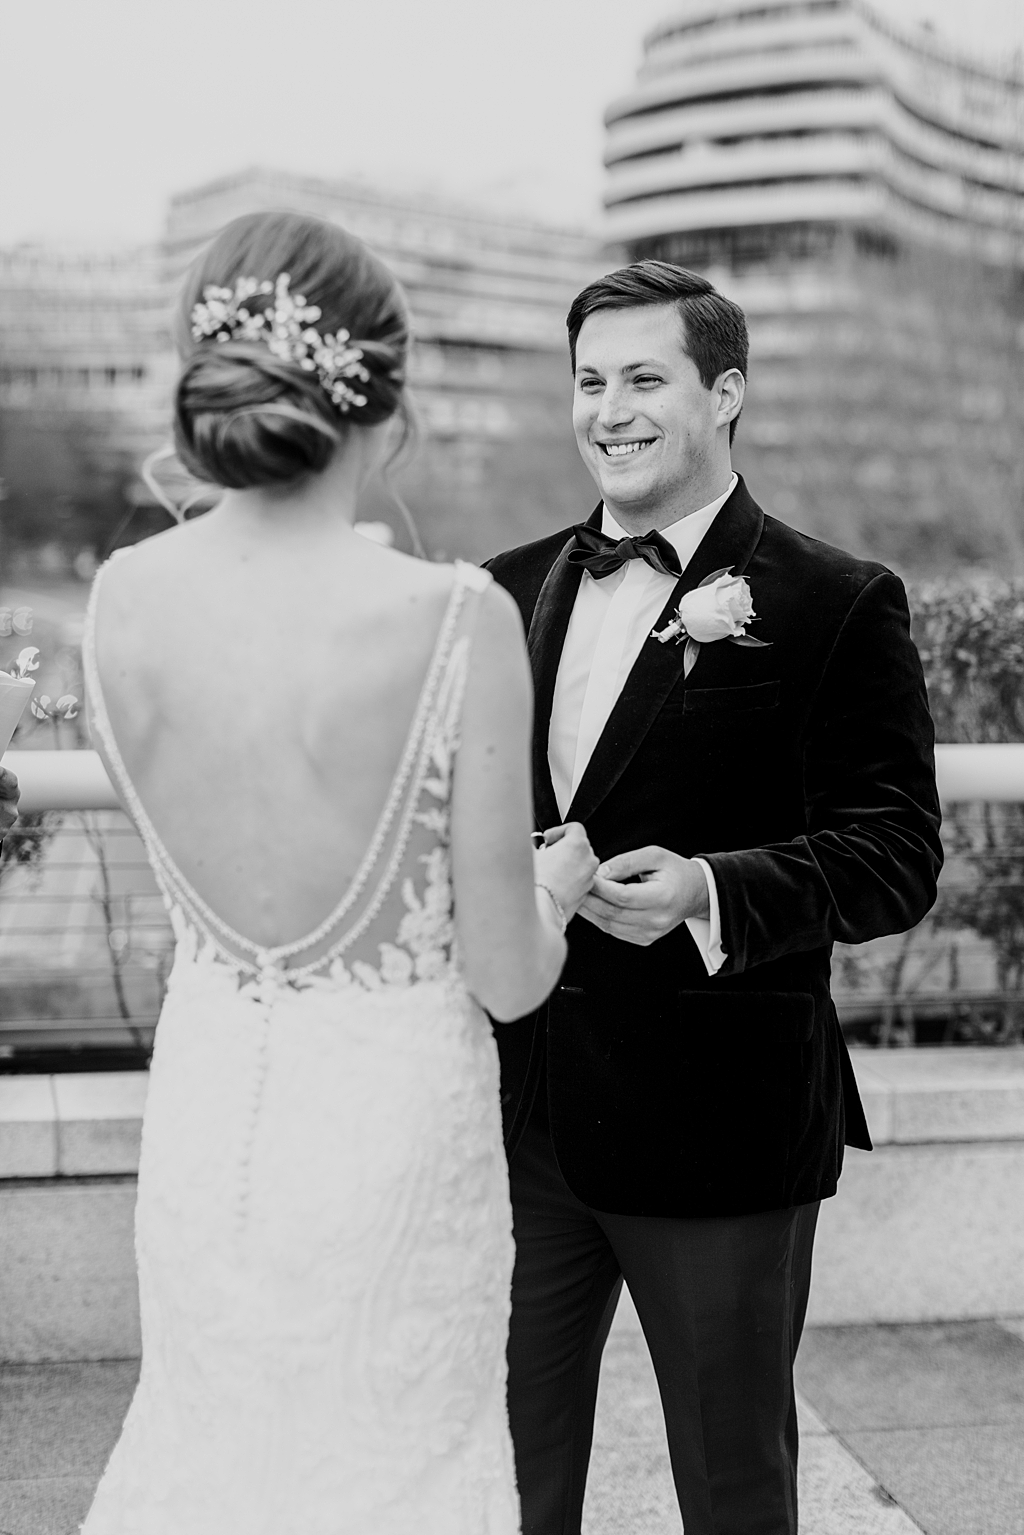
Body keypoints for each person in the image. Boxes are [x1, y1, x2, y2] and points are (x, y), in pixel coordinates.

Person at [80, 210, 597, 1535]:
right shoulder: (453, 619)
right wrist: (565, 878)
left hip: (210, 1126)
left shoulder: (120, 598)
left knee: (212, 1452)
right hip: (389, 1145)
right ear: (385, 399)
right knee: (394, 1478)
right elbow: (508, 976)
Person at [486, 260, 943, 1535]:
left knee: (733, 1488)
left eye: (644, 378)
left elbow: (896, 849)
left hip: (721, 1125)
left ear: (725, 390)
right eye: (588, 379)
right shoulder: (500, 588)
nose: (608, 408)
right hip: (512, 1118)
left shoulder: (833, 598)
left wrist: (709, 888)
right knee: (496, 1478)